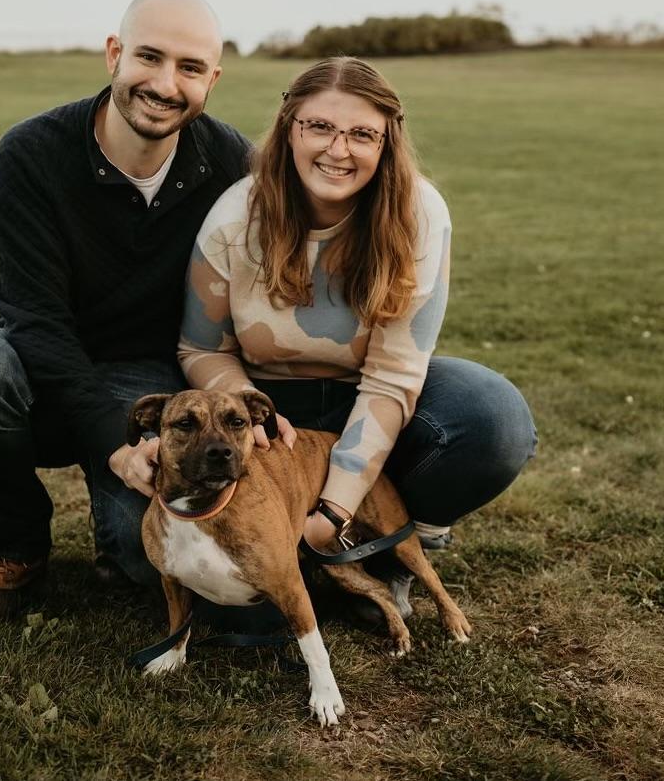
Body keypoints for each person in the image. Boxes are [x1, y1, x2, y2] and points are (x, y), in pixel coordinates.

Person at [0, 0, 252, 632]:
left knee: (144, 562)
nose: (165, 84)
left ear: (211, 80)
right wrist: (114, 447)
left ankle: (117, 539)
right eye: (149, 57)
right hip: (39, 356)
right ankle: (12, 550)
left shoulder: (232, 165)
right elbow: (34, 318)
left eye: (189, 68)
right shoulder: (32, 152)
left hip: (150, 378)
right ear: (114, 54)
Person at [178, 57, 537, 618]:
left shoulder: (419, 213)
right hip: (272, 408)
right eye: (319, 127)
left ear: (387, 142)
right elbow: (202, 348)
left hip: (368, 395)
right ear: (289, 128)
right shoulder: (235, 216)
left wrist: (334, 509)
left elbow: (393, 377)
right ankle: (286, 554)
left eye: (362, 134)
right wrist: (247, 410)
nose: (338, 150)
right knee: (142, 550)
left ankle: (385, 551)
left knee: (493, 417)